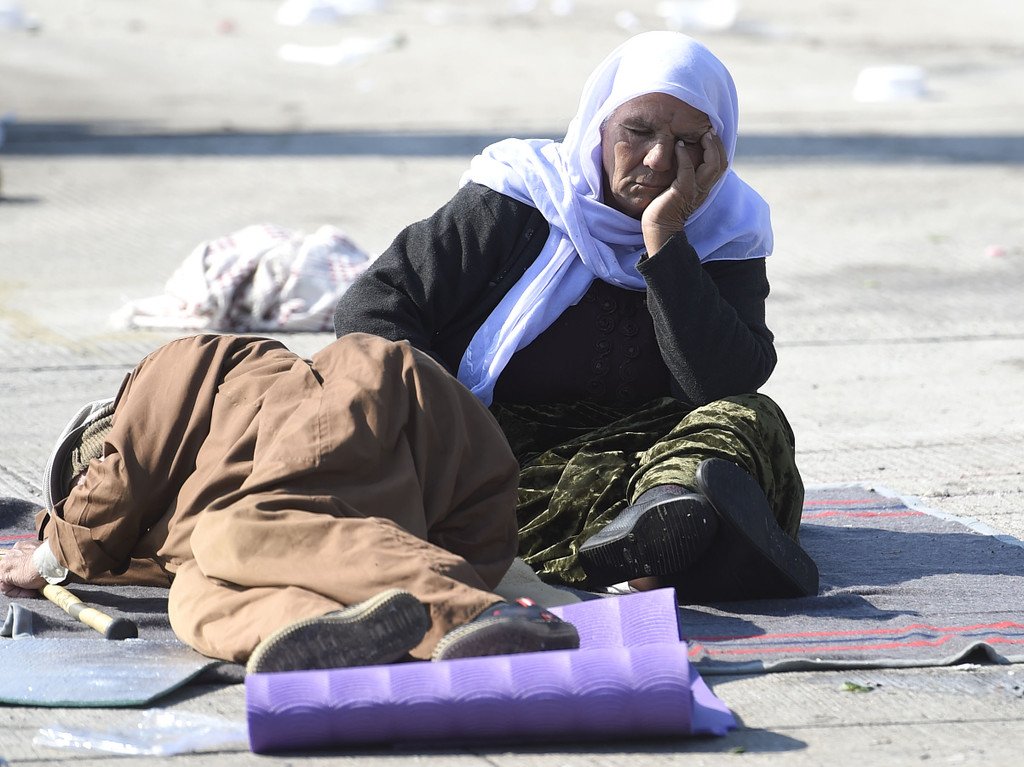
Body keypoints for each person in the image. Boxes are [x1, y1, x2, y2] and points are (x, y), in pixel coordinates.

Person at [333, 31, 818, 603]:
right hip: (502, 451)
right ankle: (682, 553)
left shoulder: (727, 227)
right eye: (638, 131)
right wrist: (444, 420)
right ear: (599, 127)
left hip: (659, 455)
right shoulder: (517, 197)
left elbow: (719, 383)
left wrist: (666, 239)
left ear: (716, 152)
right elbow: (374, 306)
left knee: (748, 419)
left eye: (688, 142)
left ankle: (661, 530)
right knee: (452, 499)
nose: (659, 161)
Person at [0, 333, 579, 671]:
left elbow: (120, 477)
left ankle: (482, 615)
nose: (88, 480)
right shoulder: (177, 535)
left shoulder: (175, 371)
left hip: (383, 416)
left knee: (236, 530)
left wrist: (51, 553)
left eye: (86, 469)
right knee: (194, 598)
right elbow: (119, 537)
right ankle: (329, 626)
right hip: (423, 536)